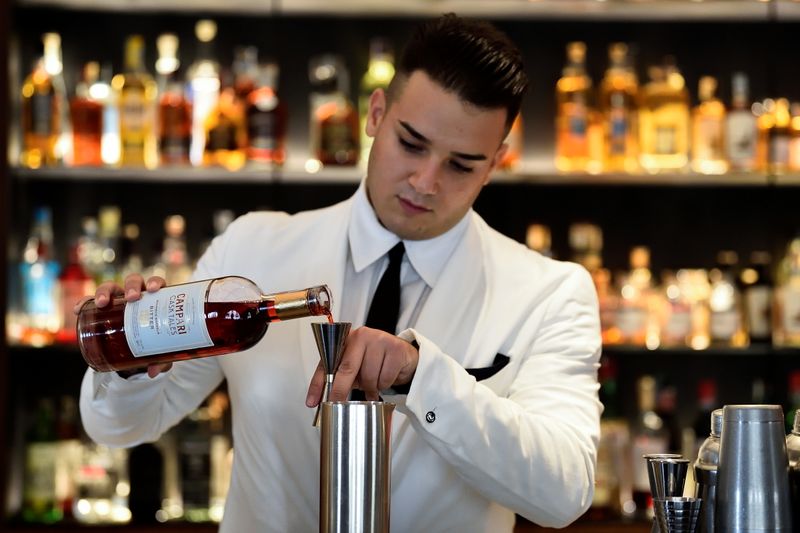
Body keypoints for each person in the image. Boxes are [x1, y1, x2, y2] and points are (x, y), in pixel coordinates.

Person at [78, 13, 602, 532]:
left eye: (461, 165)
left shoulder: (549, 293)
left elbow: (563, 492)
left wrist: (423, 377)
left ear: (495, 164)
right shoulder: (252, 248)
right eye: (411, 144)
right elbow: (118, 426)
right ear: (376, 114)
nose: (425, 181)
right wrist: (130, 360)